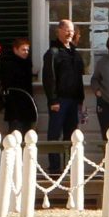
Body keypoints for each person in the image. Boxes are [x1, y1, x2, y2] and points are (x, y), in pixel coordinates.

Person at [40, 20, 85, 174]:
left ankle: (70, 166)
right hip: (59, 101)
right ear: (58, 31)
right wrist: (53, 100)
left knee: (71, 135)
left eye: (71, 30)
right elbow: (49, 78)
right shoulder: (52, 53)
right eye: (66, 30)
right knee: (54, 134)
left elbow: (79, 78)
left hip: (74, 101)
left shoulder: (75, 53)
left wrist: (81, 100)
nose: (69, 33)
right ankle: (54, 167)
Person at [0, 36, 38, 137]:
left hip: (28, 104)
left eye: (27, 49)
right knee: (15, 134)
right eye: (23, 49)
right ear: (15, 49)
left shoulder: (27, 64)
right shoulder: (8, 64)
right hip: (14, 105)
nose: (26, 52)